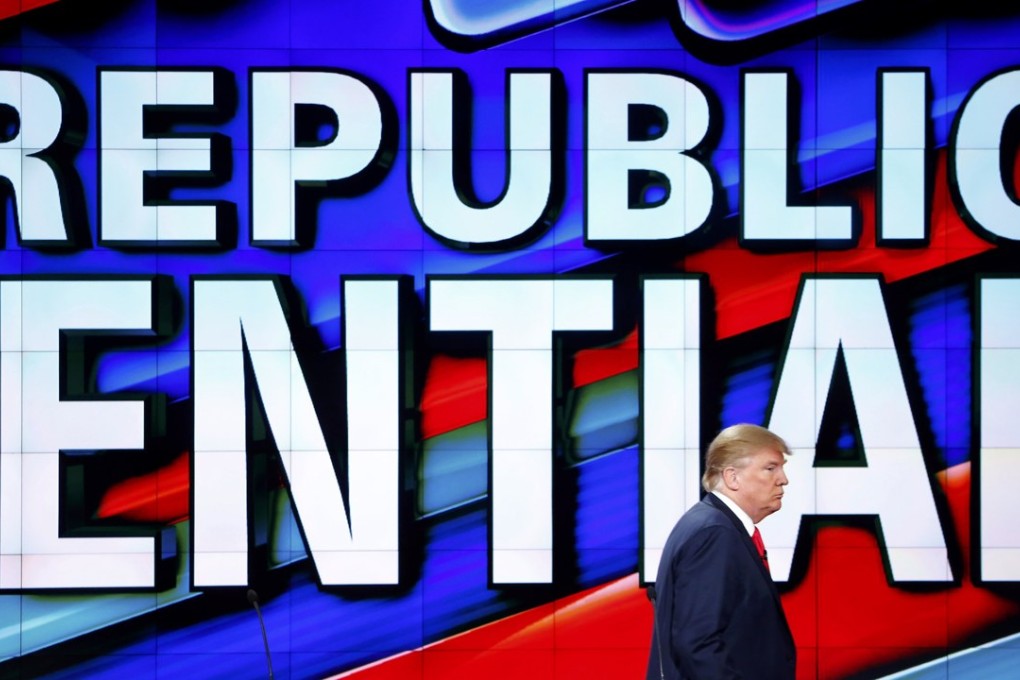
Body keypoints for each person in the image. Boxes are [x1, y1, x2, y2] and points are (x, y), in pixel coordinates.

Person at [647, 423, 796, 680]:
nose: (783, 479)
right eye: (770, 468)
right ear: (732, 477)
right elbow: (699, 643)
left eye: (781, 468)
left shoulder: (712, 524)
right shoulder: (715, 534)